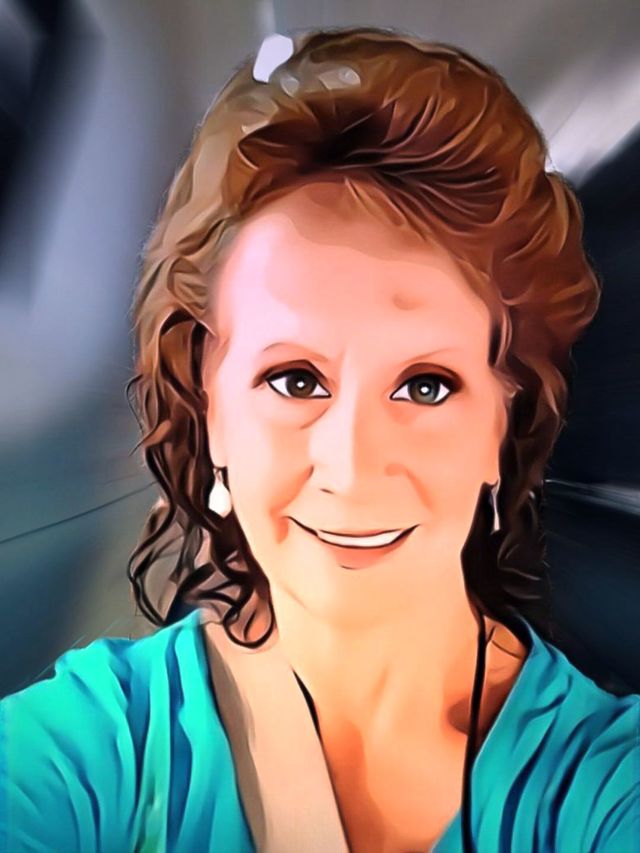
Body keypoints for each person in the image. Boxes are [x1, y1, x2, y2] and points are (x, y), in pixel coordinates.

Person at [1, 25, 638, 853]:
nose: (350, 462)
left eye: (424, 385)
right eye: (296, 380)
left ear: (504, 426)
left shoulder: (605, 783)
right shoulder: (86, 753)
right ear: (207, 407)